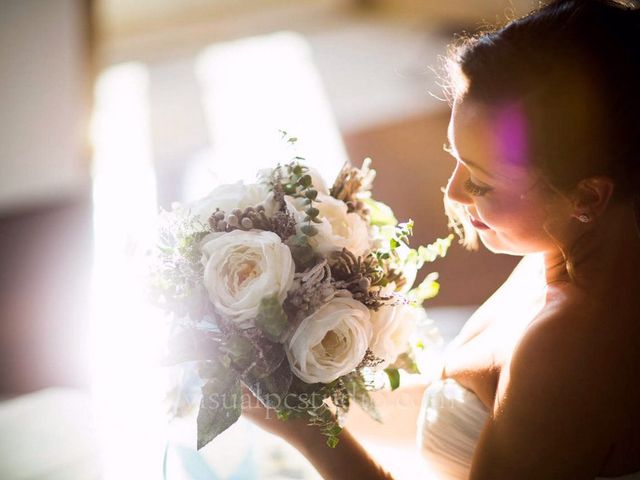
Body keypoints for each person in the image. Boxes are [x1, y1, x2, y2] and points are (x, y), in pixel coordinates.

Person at [242, 0, 640, 477]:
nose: (453, 192)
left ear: (588, 196)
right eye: (456, 157)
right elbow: (465, 407)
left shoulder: (566, 348)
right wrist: (299, 389)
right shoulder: (565, 244)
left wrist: (306, 432)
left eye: (483, 182)